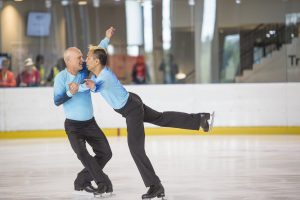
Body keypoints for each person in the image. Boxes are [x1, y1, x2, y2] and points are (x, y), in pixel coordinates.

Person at [78, 46, 214, 199]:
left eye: (88, 58)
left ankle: (155, 186)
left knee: (136, 148)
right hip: (133, 102)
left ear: (96, 61)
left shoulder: (104, 77)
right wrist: (79, 87)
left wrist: (88, 86)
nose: (85, 60)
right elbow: (92, 80)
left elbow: (97, 86)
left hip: (131, 109)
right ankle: (200, 119)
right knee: (161, 118)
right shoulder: (97, 74)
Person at [53, 27, 115, 196]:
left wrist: (106, 38)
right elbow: (57, 101)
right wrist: (69, 93)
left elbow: (97, 53)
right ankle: (102, 182)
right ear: (68, 61)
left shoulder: (85, 71)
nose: (82, 60)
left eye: (82, 56)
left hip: (90, 123)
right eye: (78, 57)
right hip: (73, 126)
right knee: (83, 154)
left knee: (106, 153)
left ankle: (81, 181)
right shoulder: (61, 78)